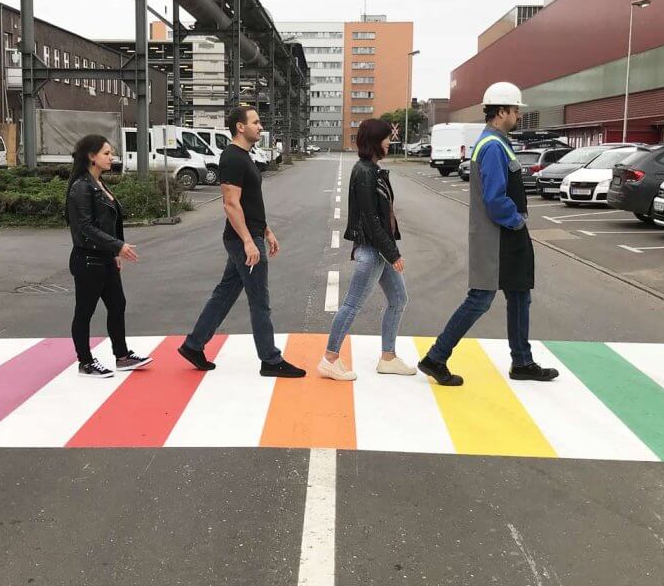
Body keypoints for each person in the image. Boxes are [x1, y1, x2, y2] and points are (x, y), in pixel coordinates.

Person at [418, 83, 559, 386]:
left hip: (503, 236)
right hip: (499, 236)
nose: (518, 115)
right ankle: (436, 357)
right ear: (502, 111)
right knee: (480, 299)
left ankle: (522, 361)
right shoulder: (493, 146)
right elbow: (495, 199)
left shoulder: (495, 142)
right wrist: (517, 221)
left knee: (520, 295)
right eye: (515, 110)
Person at [177, 106, 305, 378]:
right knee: (259, 300)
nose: (260, 126)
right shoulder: (233, 158)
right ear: (240, 127)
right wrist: (248, 241)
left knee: (225, 294)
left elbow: (249, 203)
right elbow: (231, 205)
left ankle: (193, 345)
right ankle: (270, 360)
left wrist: (266, 230)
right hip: (242, 240)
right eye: (256, 122)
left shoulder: (244, 156)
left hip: (249, 235)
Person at [318, 119, 415, 381]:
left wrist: (389, 251)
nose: (389, 142)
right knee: (352, 304)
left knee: (398, 299)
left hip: (379, 250)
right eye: (385, 138)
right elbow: (371, 220)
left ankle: (388, 358)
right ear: (374, 141)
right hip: (372, 252)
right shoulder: (364, 172)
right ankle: (329, 359)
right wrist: (393, 254)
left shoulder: (372, 169)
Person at [65, 134, 152, 378]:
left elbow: (109, 222)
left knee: (117, 305)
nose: (111, 157)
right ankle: (85, 362)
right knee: (85, 311)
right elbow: (85, 227)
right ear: (91, 157)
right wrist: (118, 246)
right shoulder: (81, 187)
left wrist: (115, 252)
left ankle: (122, 356)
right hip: (88, 260)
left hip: (105, 258)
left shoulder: (99, 183)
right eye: (106, 153)